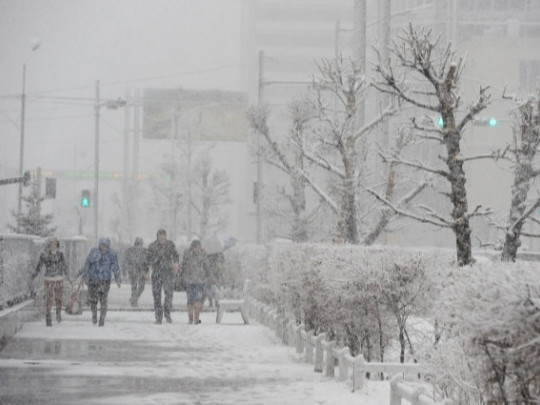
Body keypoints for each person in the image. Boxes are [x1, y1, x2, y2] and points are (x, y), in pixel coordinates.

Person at [79, 238, 121, 326]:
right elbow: (87, 264)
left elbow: (115, 267)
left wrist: (118, 279)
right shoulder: (94, 252)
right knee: (93, 300)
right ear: (99, 245)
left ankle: (102, 318)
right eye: (102, 245)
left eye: (105, 246)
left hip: (105, 280)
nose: (103, 248)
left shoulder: (112, 254)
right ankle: (94, 315)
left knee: (103, 300)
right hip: (93, 279)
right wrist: (83, 277)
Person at [31, 237, 70, 327]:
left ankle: (58, 312)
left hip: (59, 279)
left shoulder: (60, 255)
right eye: (51, 244)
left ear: (57, 245)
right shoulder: (44, 255)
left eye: (55, 244)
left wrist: (68, 276)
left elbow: (64, 266)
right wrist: (35, 274)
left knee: (59, 298)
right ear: (49, 245)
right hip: (48, 279)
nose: (53, 246)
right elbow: (39, 266)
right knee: (49, 299)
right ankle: (48, 317)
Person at [146, 229, 179, 324]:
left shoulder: (170, 245)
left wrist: (176, 262)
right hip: (156, 272)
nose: (162, 237)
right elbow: (146, 260)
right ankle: (158, 317)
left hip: (168, 272)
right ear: (157, 236)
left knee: (169, 293)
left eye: (164, 235)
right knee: (156, 295)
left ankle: (167, 311)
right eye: (161, 236)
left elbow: (176, 255)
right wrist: (146, 272)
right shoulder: (152, 246)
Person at [180, 239, 208, 325]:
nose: (196, 249)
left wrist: (208, 276)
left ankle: (196, 319)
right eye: (195, 247)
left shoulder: (203, 254)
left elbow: (206, 266)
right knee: (190, 300)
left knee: (197, 300)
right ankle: (190, 319)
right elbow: (183, 265)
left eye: (198, 247)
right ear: (192, 247)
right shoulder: (187, 254)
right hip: (189, 280)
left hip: (199, 281)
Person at [124, 237, 149, 308]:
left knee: (138, 287)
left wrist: (146, 272)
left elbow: (146, 262)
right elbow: (127, 260)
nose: (139, 246)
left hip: (139, 271)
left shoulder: (144, 251)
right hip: (135, 271)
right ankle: (134, 300)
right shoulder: (131, 251)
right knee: (136, 287)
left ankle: (134, 299)